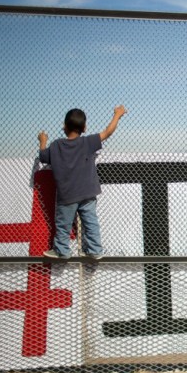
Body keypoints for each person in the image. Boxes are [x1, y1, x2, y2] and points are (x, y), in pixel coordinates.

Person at [38, 105, 127, 260]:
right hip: (88, 192)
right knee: (91, 222)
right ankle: (94, 249)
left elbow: (43, 156)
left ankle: (62, 250)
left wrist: (43, 140)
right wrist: (117, 115)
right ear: (84, 128)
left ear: (64, 127)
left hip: (67, 195)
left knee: (63, 225)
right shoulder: (88, 142)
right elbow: (108, 132)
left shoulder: (56, 145)